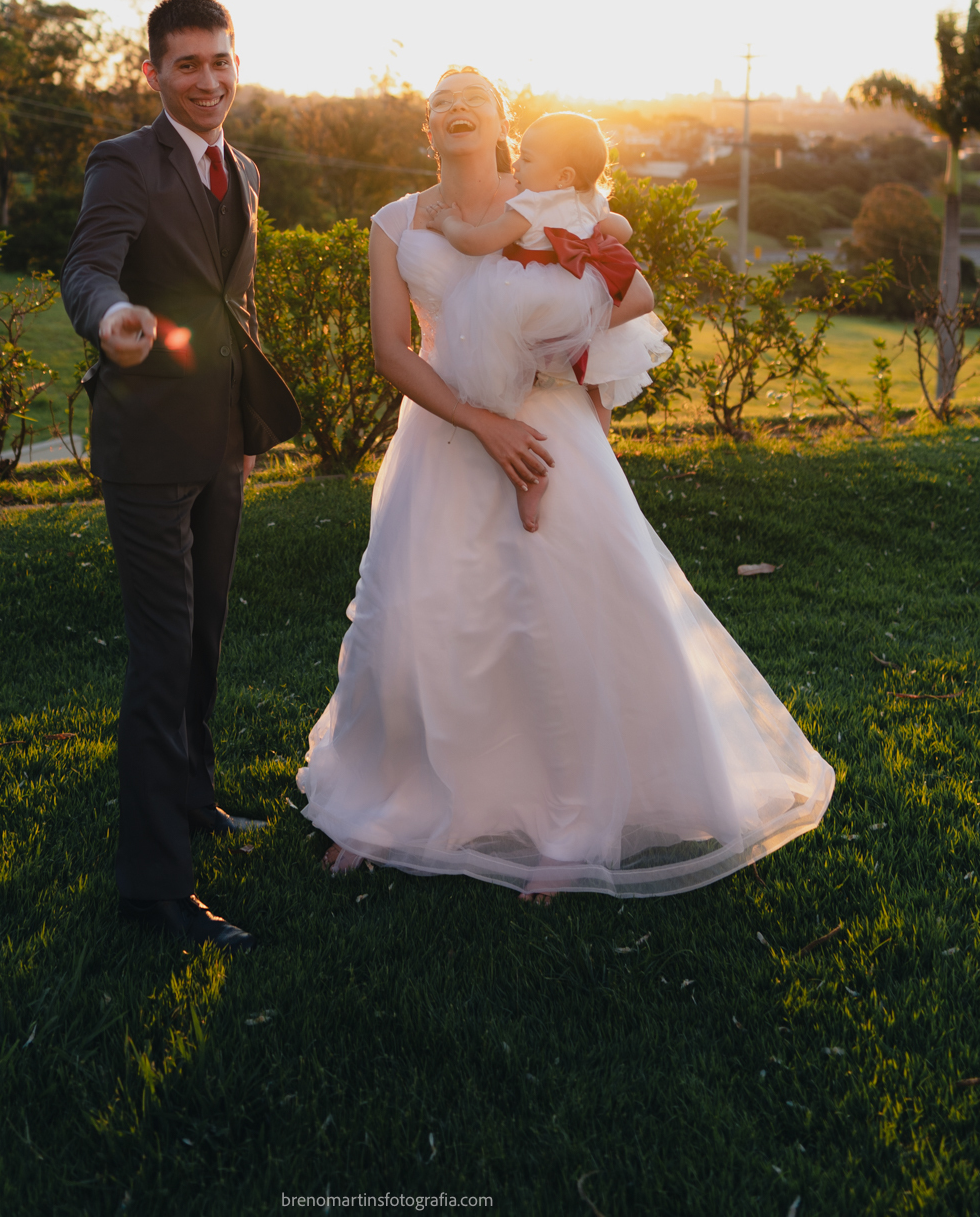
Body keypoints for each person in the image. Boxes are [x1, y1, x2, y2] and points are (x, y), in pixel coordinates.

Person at [296, 66, 833, 898]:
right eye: (441, 103)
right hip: (444, 440)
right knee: (413, 619)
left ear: (506, 122)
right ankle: (392, 804)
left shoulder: (554, 199)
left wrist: (562, 382)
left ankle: (573, 820)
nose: (458, 108)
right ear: (425, 132)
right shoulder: (395, 221)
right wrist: (485, 422)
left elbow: (628, 298)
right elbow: (393, 352)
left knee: (558, 622)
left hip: (553, 437)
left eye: (475, 97)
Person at [62, 0, 301, 949]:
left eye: (222, 61)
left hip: (217, 443)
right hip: (147, 444)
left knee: (203, 638)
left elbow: (229, 306)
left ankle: (193, 800)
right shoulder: (123, 162)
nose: (209, 80)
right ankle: (153, 890)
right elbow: (88, 266)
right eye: (188, 64)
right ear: (154, 71)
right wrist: (111, 316)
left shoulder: (241, 167)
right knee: (161, 658)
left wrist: (245, 421)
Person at [431, 107, 670, 530]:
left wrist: (448, 221)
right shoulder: (588, 199)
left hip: (532, 299)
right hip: (585, 295)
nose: (517, 164)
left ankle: (531, 478)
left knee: (504, 372)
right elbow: (624, 230)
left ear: (561, 175)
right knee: (597, 382)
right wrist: (596, 228)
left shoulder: (529, 204)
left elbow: (477, 242)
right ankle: (598, 461)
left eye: (527, 158)